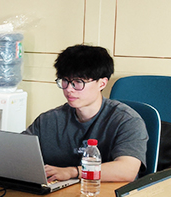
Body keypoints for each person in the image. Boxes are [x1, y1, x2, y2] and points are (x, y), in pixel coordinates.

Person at [24, 45, 147, 183]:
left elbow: (127, 170)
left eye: (78, 82)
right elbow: (17, 153)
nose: (69, 89)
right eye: (65, 81)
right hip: (58, 192)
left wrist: (73, 172)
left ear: (102, 84)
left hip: (103, 193)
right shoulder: (48, 120)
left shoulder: (127, 120)